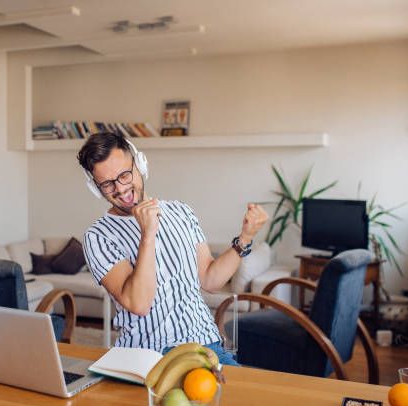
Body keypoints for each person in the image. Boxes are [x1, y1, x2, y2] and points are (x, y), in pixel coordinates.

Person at [77, 132, 268, 366]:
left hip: (206, 345)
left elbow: (210, 280)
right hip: (147, 355)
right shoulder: (98, 236)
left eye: (125, 175)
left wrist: (245, 237)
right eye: (107, 184)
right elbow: (139, 303)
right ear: (96, 188)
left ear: (140, 165)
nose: (120, 188)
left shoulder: (181, 211)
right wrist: (147, 234)